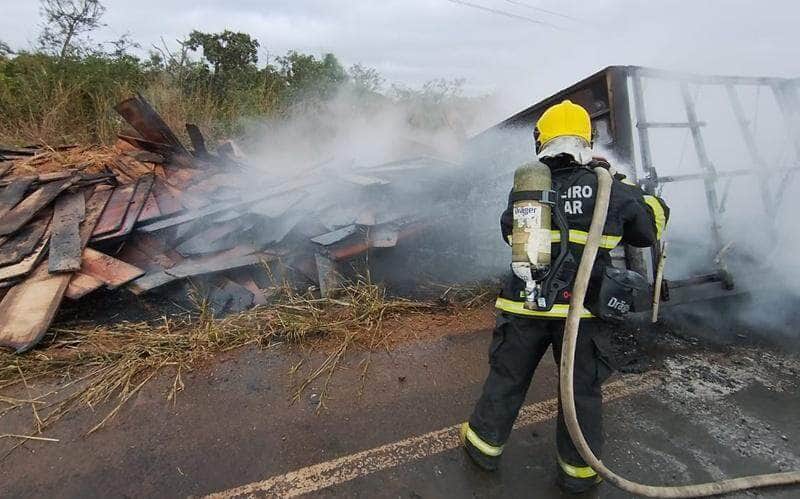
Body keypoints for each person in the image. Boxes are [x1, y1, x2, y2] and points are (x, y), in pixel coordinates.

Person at [460, 100, 669, 494]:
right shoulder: (616, 190)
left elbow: (509, 231)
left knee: (506, 378)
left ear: (543, 139)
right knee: (581, 393)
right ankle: (578, 474)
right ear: (586, 140)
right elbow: (646, 232)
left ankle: (483, 449)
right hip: (583, 313)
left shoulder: (528, 187)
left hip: (524, 306)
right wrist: (649, 197)